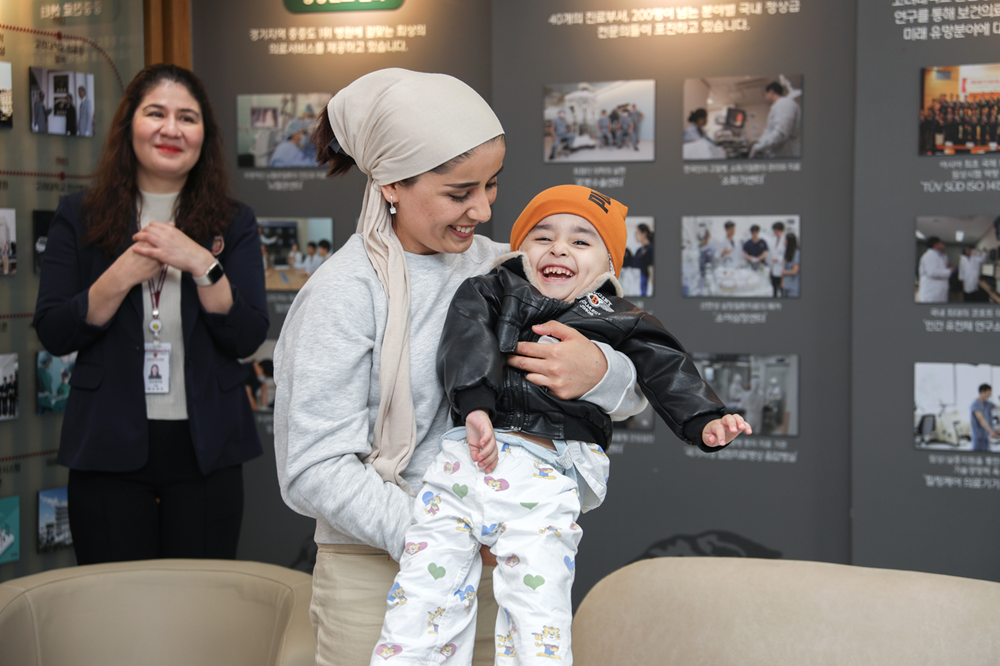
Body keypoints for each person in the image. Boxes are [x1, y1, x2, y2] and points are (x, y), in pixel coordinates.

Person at [273, 68, 646, 666]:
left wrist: (599, 370)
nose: (483, 207)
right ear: (392, 184)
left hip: (502, 567)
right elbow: (313, 467)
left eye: (492, 185)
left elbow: (631, 393)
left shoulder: (515, 268)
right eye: (458, 192)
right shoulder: (343, 294)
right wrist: (442, 533)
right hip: (380, 575)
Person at [372, 185, 749, 665]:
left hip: (547, 471)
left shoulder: (622, 317)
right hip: (466, 461)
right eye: (542, 236)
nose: (559, 248)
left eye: (581, 241)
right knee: (423, 595)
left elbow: (666, 367)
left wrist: (706, 418)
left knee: (537, 612)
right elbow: (467, 342)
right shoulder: (491, 288)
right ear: (520, 252)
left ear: (610, 266)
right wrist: (476, 408)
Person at [32, 64, 269, 564]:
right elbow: (54, 331)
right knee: (115, 609)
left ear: (204, 134)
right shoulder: (80, 215)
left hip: (208, 449)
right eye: (155, 113)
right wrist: (121, 274)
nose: (171, 128)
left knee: (201, 609)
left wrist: (203, 264)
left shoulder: (233, 220)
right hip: (107, 445)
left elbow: (247, 335)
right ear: (129, 125)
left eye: (187, 117)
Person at [748, 82, 801, 159]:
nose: (765, 97)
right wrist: (760, 142)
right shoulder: (778, 106)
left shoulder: (784, 103)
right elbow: (770, 132)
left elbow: (781, 133)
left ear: (771, 92)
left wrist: (758, 147)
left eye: (765, 94)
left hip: (785, 155)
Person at [916, 236, 953, 303]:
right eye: (941, 243)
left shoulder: (941, 256)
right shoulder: (929, 256)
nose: (943, 245)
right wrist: (950, 271)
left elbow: (941, 267)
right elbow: (932, 272)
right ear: (936, 244)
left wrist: (947, 267)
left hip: (939, 291)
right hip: (931, 293)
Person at [970, 384, 997, 452]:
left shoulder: (987, 403)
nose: (990, 394)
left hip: (985, 436)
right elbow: (981, 419)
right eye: (989, 391)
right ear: (982, 391)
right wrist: (991, 431)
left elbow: (997, 407)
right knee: (977, 456)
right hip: (978, 437)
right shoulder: (976, 404)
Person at [633, 222, 654, 296]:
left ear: (644, 234)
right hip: (636, 282)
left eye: (637, 233)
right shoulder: (639, 250)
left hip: (644, 281)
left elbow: (651, 268)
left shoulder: (650, 248)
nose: (635, 236)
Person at [769, 221, 786, 297]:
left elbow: (787, 255)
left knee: (782, 289)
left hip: (782, 268)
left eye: (776, 231)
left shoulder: (785, 240)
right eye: (774, 231)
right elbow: (771, 253)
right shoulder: (773, 240)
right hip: (773, 268)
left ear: (781, 230)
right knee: (774, 288)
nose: (775, 233)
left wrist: (778, 259)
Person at [782, 232, 800, 298]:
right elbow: (784, 266)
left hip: (793, 285)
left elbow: (794, 271)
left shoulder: (796, 253)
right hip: (786, 284)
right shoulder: (786, 251)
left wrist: (784, 272)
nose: (784, 241)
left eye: (785, 240)